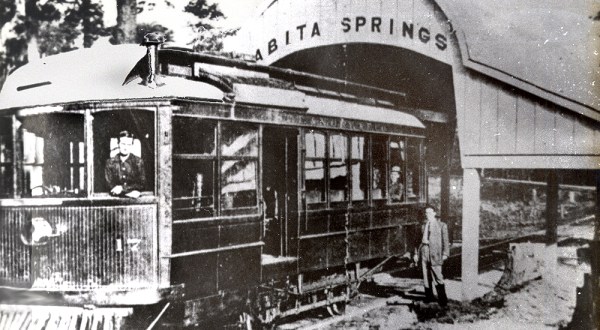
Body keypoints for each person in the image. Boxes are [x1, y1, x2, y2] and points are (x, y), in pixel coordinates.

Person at [414, 204, 450, 306]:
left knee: (438, 276)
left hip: (435, 252)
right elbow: (416, 241)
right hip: (424, 250)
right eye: (426, 213)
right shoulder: (422, 226)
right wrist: (416, 254)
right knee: (425, 276)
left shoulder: (441, 225)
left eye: (429, 213)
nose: (427, 215)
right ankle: (429, 298)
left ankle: (443, 300)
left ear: (434, 213)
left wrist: (445, 253)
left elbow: (445, 241)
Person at [105, 130, 146, 198]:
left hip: (134, 200)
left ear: (132, 145)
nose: (125, 147)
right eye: (123, 144)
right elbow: (109, 184)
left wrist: (122, 188)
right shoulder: (110, 162)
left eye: (128, 144)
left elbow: (142, 184)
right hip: (115, 200)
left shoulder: (138, 162)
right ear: (118, 144)